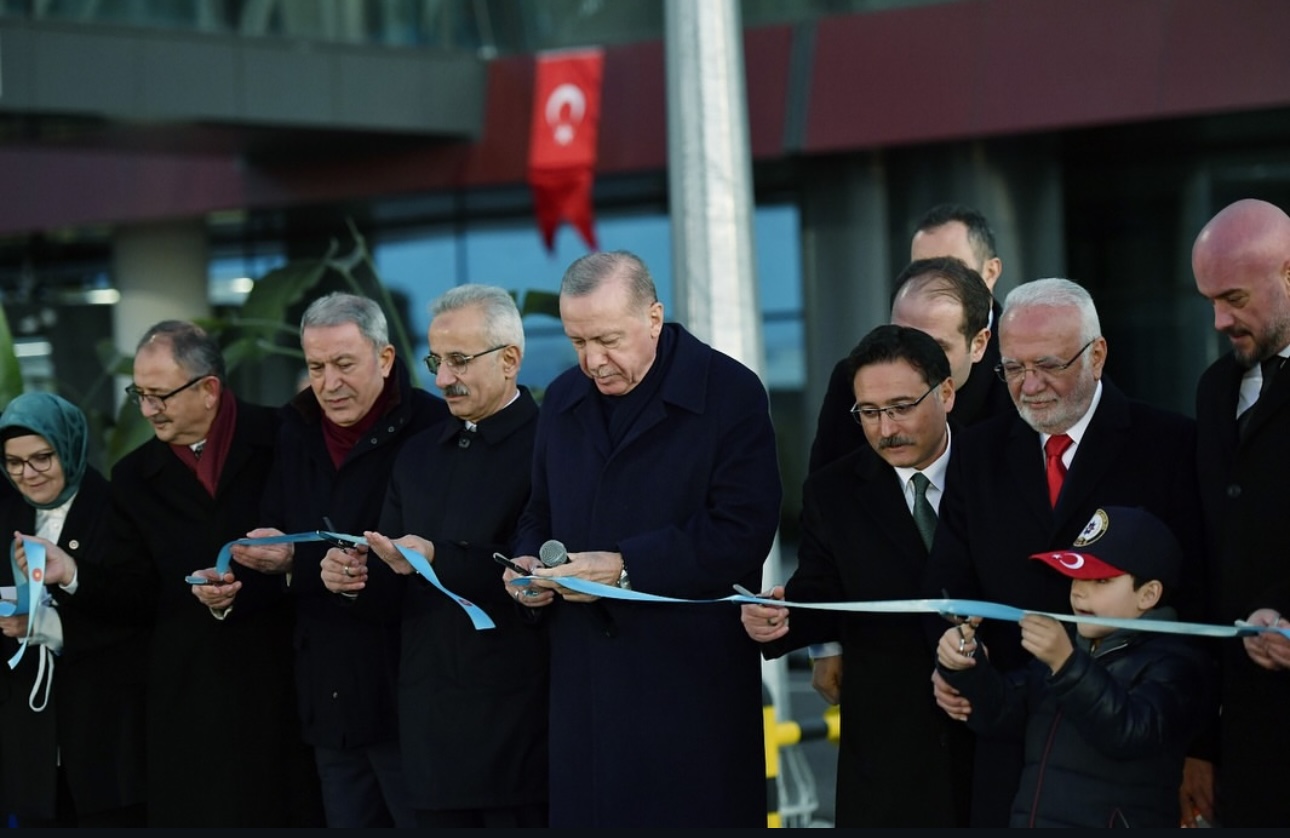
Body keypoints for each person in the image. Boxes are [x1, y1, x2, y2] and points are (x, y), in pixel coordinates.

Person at [502, 250, 782, 828]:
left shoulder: (730, 391)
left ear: (654, 317)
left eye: (607, 340)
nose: (592, 362)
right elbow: (539, 509)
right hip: (586, 691)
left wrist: (628, 568)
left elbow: (743, 530)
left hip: (688, 689)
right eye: (577, 342)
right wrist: (527, 563)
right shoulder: (559, 400)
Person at [921, 278, 1206, 827]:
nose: (1030, 386)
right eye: (1013, 369)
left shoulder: (1170, 444)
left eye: (1048, 365)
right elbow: (949, 578)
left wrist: (1203, 747)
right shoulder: (977, 450)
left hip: (1134, 748)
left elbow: (1198, 595)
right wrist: (953, 656)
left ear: (1097, 354)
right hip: (1008, 734)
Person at [24, 320, 321, 826]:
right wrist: (73, 572)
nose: (146, 409)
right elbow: (133, 594)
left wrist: (284, 570)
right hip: (188, 706)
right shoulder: (134, 476)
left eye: (159, 395)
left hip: (286, 690)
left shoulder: (285, 436)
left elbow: (326, 535)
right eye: (139, 394)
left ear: (209, 390)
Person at [223, 292, 447, 828]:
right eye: (316, 367)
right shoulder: (294, 429)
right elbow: (279, 537)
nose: (328, 383)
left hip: (411, 697)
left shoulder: (432, 426)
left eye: (344, 364)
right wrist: (238, 575)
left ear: (386, 358)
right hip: (327, 699)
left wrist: (302, 565)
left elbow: (444, 559)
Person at [741, 324, 972, 827]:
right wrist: (777, 619)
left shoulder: (999, 468)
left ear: (947, 393)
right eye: (869, 412)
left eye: (902, 407)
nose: (886, 428)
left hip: (992, 740)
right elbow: (820, 593)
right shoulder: (835, 491)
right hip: (888, 750)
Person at [357, 284, 548, 827]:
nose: (442, 379)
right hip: (430, 728)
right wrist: (354, 575)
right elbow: (391, 577)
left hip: (521, 729)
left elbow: (541, 573)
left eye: (460, 361)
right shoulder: (418, 454)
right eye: (436, 361)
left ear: (511, 359)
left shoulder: (551, 446)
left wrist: (440, 557)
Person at [936, 506, 1217, 828]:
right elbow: (1001, 716)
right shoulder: (1068, 648)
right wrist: (966, 665)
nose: (1080, 591)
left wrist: (1066, 664)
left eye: (1101, 580)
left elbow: (1130, 733)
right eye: (1075, 577)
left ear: (1149, 594)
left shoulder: (1177, 662)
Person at [806, 255, 1006, 704]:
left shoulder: (1014, 389)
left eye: (932, 345)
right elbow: (825, 510)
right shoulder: (855, 381)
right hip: (885, 656)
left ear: (979, 344)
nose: (909, 359)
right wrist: (826, 642)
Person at [0, 393, 146, 827]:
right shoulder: (7, 512)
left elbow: (139, 605)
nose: (29, 474)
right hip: (27, 744)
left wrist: (58, 614)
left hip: (104, 734)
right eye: (13, 462)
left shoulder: (118, 507)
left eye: (42, 457)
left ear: (68, 446)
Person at [1190, 197, 1290, 826]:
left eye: (1235, 298)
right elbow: (1209, 555)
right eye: (1209, 302)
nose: (1220, 320)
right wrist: (1201, 745)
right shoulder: (1214, 387)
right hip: (1245, 742)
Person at [809, 203, 1011, 472]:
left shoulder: (1023, 369)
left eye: (952, 266)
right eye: (921, 268)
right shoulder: (854, 380)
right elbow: (827, 494)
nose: (933, 279)